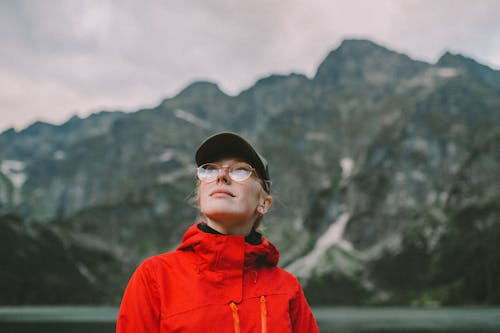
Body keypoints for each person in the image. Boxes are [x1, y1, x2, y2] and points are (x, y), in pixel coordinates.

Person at [116, 132, 319, 333]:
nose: (221, 176)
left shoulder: (287, 288)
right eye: (210, 170)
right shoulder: (154, 278)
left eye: (240, 170)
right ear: (200, 196)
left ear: (264, 203)